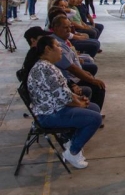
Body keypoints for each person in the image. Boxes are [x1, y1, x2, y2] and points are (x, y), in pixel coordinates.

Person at [26, 35, 102, 169]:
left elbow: (63, 91)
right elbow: (63, 97)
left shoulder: (48, 66)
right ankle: (73, 151)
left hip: (55, 108)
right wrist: (79, 103)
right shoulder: (45, 69)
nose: (61, 49)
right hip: (48, 115)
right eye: (57, 46)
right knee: (95, 118)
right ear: (48, 49)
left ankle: (70, 140)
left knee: (94, 108)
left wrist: (78, 99)